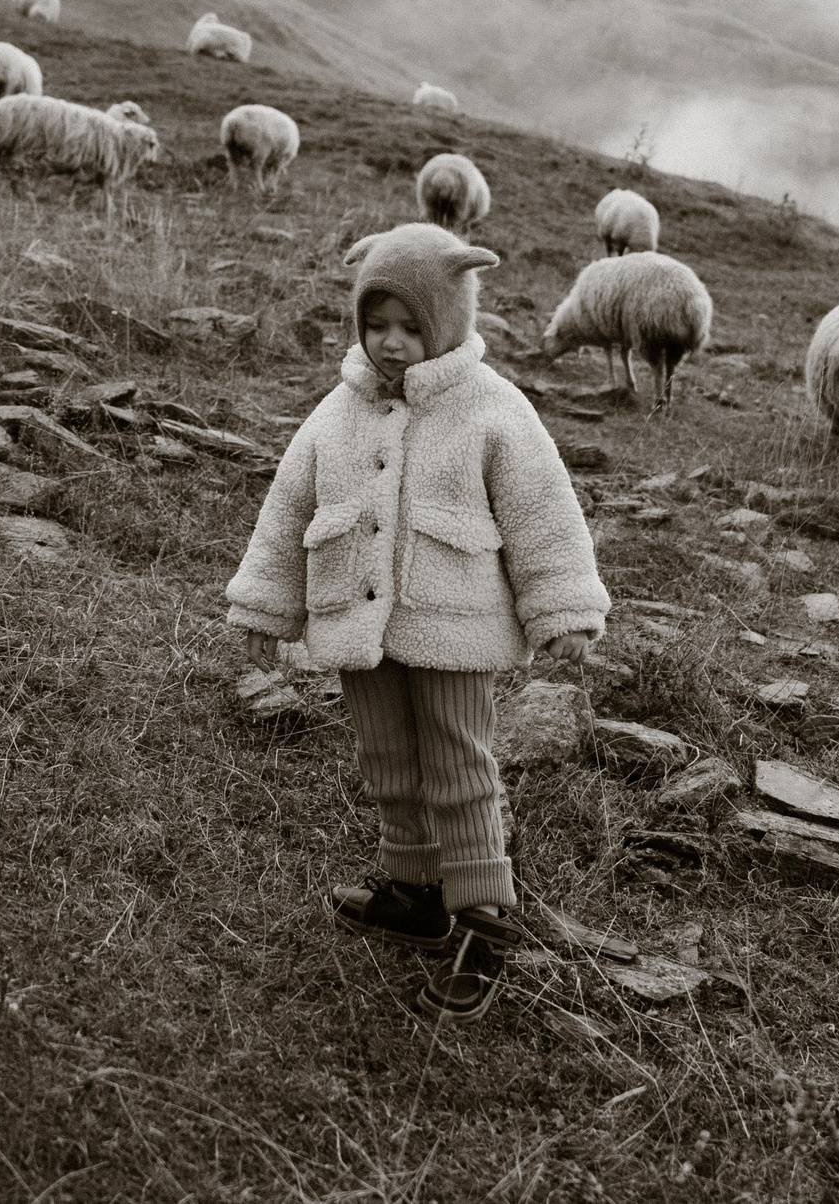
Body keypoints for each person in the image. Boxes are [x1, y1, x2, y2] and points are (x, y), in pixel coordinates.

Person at [226, 221, 610, 1020]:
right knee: (388, 762)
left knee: (459, 766)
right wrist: (265, 602)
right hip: (357, 624)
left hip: (454, 626)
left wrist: (563, 607)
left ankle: (482, 919)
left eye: (410, 326)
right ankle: (414, 891)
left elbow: (542, 510)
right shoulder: (339, 408)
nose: (391, 343)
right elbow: (288, 505)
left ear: (449, 320)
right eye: (376, 324)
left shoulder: (492, 407)